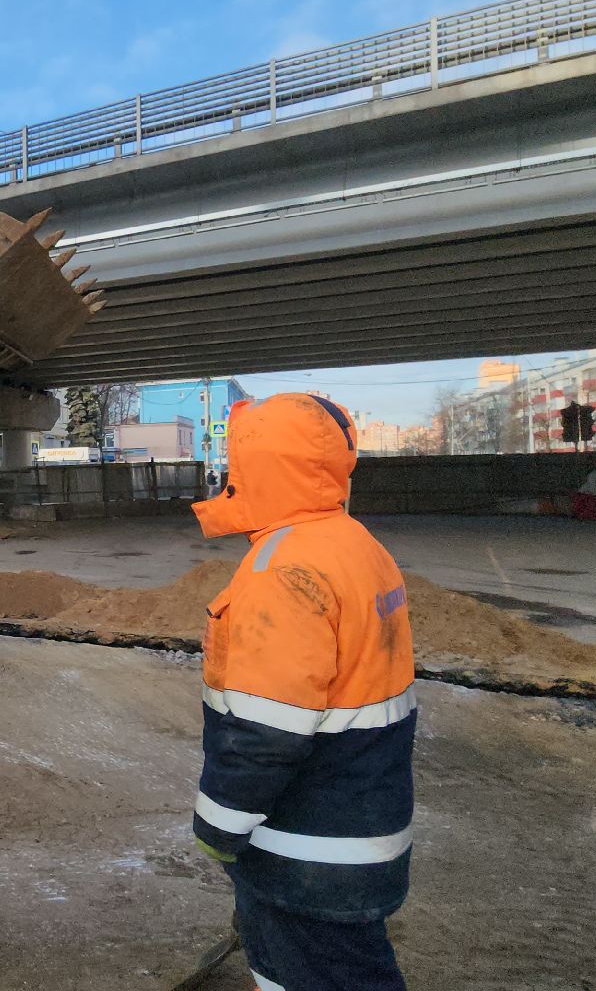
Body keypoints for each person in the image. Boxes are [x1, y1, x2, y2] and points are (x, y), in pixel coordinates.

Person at [187, 393, 415, 991]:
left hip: (307, 849)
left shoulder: (282, 572)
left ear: (255, 465)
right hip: (359, 824)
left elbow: (265, 734)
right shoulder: (354, 545)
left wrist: (218, 828)